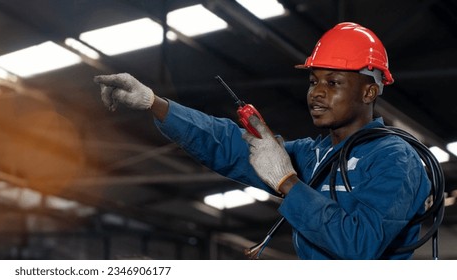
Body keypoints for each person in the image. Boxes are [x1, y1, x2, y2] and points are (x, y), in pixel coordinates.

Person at [93, 22, 431, 259]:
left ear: (370, 90)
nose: (317, 93)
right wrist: (155, 102)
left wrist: (287, 182)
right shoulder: (315, 156)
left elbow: (360, 247)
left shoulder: (395, 159)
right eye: (314, 81)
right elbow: (230, 145)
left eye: (334, 82)